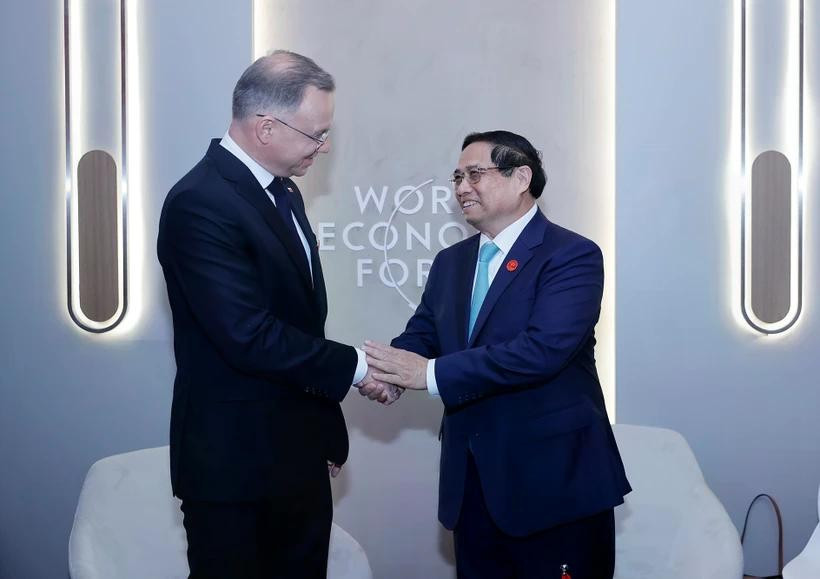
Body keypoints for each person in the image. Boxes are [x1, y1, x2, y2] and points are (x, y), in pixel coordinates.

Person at [157, 50, 396, 579]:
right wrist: (358, 368)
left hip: (295, 461)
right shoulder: (200, 202)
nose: (324, 146)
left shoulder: (282, 192)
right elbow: (248, 335)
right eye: (316, 134)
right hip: (235, 468)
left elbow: (299, 326)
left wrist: (320, 435)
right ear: (266, 126)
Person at [363, 130, 631, 578]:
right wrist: (388, 373)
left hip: (553, 486)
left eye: (475, 174)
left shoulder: (571, 255)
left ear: (521, 176)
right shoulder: (452, 261)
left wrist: (427, 375)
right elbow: (423, 334)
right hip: (472, 488)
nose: (461, 187)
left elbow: (541, 351)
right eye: (456, 177)